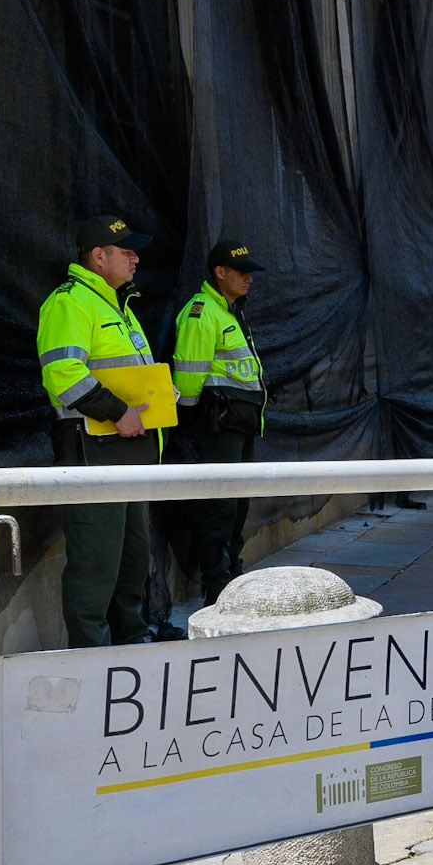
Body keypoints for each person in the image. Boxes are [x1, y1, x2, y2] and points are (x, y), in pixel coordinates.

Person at [35, 214, 164, 647]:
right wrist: (117, 411)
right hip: (93, 449)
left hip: (129, 451)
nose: (135, 258)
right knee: (96, 562)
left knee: (132, 558)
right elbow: (62, 374)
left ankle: (132, 642)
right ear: (98, 256)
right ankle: (91, 661)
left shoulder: (117, 305)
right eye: (125, 251)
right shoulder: (69, 302)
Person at [173, 238, 267, 604]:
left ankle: (232, 577)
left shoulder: (229, 310)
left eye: (250, 272)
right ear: (220, 272)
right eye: (241, 272)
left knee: (237, 504)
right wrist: (193, 421)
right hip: (218, 425)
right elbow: (187, 377)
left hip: (238, 423)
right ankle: (218, 588)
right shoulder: (201, 312)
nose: (249, 279)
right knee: (220, 507)